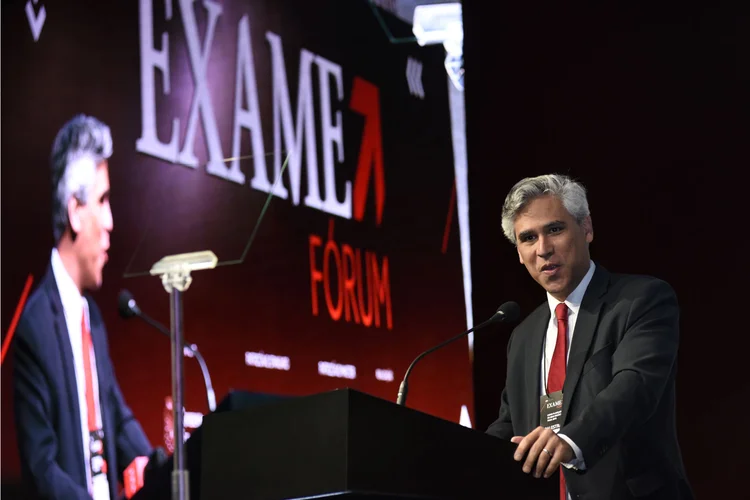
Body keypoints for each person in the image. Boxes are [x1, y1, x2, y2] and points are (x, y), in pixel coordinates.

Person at [486, 174, 693, 500]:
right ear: (519, 252)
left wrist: (570, 441)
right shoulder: (522, 336)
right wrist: (463, 457)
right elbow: (511, 424)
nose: (543, 249)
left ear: (587, 229)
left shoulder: (641, 300)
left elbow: (634, 386)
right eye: (527, 238)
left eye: (555, 229)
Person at [12, 114, 153, 499]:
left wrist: (159, 465)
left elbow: (116, 418)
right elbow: (41, 468)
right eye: (103, 200)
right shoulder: (34, 327)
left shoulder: (91, 317)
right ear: (75, 212)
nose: (110, 221)